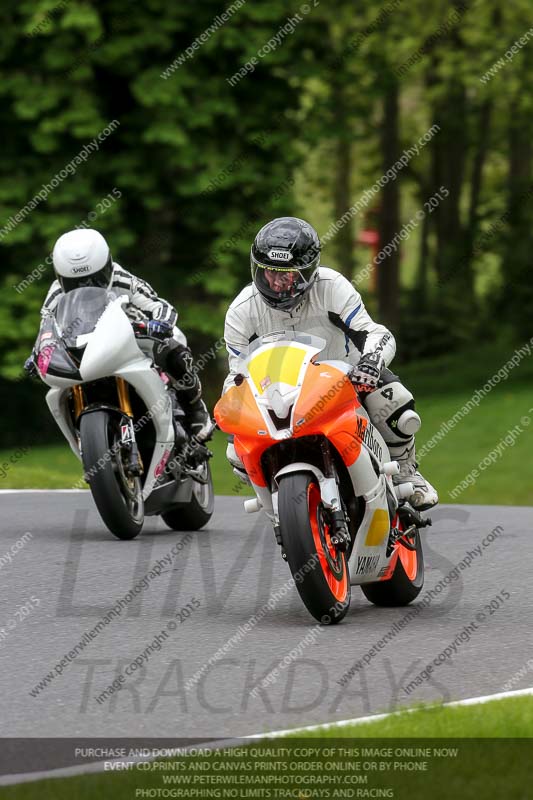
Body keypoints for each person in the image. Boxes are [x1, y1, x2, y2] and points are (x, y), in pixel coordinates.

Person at [222, 216, 438, 510]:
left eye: (288, 274)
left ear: (309, 272)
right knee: (235, 447)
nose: (277, 282)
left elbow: (374, 332)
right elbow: (237, 372)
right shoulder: (241, 310)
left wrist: (372, 362)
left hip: (344, 382)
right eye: (269, 272)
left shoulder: (332, 286)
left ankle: (405, 472)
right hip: (277, 396)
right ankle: (275, 497)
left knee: (394, 401)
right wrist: (231, 404)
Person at [25, 228, 212, 440]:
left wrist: (160, 324)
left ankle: (196, 409)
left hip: (133, 335)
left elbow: (160, 305)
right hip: (84, 347)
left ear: (107, 267)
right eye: (75, 283)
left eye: (94, 279)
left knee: (172, 346)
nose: (86, 287)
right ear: (61, 278)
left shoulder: (123, 278)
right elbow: (46, 328)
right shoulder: (56, 293)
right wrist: (36, 353)